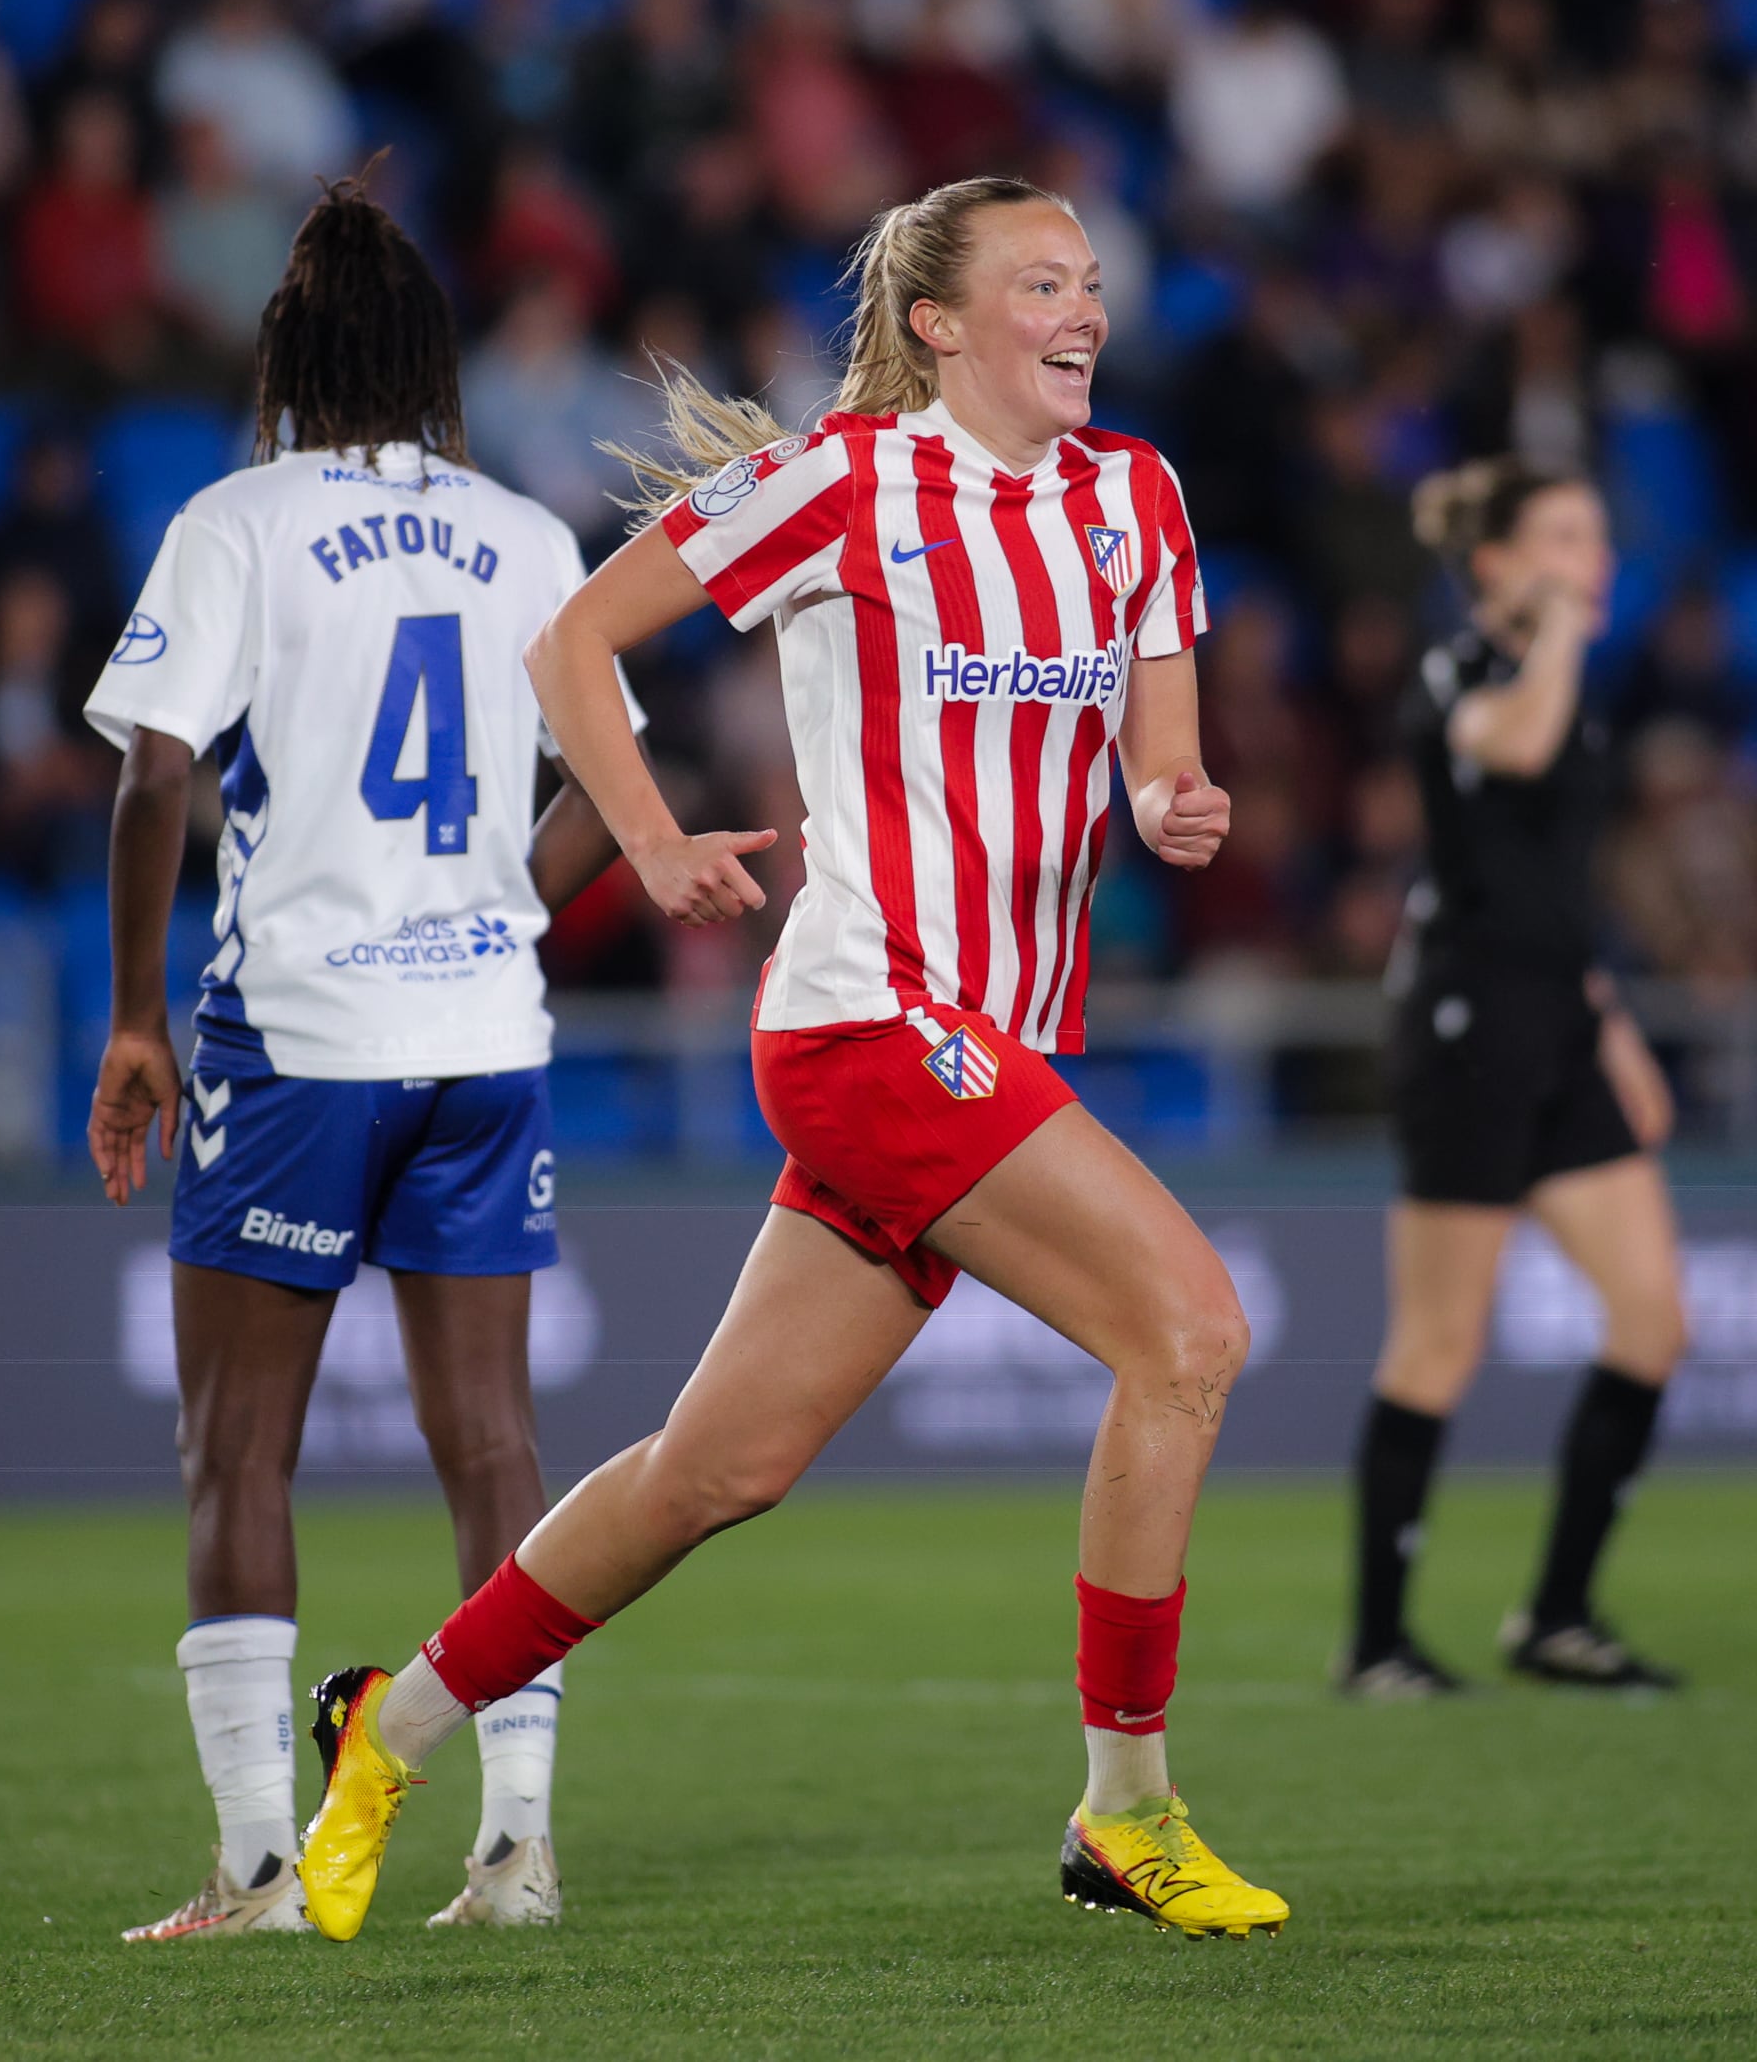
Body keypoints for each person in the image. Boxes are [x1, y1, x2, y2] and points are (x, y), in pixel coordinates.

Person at [293, 175, 1292, 1946]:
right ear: (939, 324)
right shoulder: (842, 480)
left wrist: (1170, 801)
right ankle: (1125, 1811)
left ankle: (397, 1721)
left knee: (716, 1470)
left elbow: (1159, 756)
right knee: (1191, 1332)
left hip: (986, 1037)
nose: (1084, 310)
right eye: (1042, 282)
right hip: (873, 1016)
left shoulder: (1136, 496)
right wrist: (650, 836)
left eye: (1089, 281)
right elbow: (569, 640)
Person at [84, 174, 642, 1939]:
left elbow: (154, 773)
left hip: (302, 1040)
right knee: (492, 1442)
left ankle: (259, 1865)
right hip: (484, 1037)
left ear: (291, 357)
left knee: (238, 1449)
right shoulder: (528, 533)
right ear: (432, 360)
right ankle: (518, 1849)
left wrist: (134, 1017)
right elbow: (610, 793)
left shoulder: (239, 520)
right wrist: (497, 921)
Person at [1341, 458, 1689, 1699]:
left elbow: (1551, 892)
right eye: (1564, 537)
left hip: (1560, 1026)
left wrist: (1611, 1028)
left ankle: (1558, 1615)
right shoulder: (1466, 675)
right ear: (1494, 564)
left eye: (1597, 536)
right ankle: (1376, 1643)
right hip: (1467, 1032)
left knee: (1654, 1322)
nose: (1595, 559)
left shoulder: (1566, 683)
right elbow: (1518, 743)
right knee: (1440, 1343)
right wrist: (1557, 637)